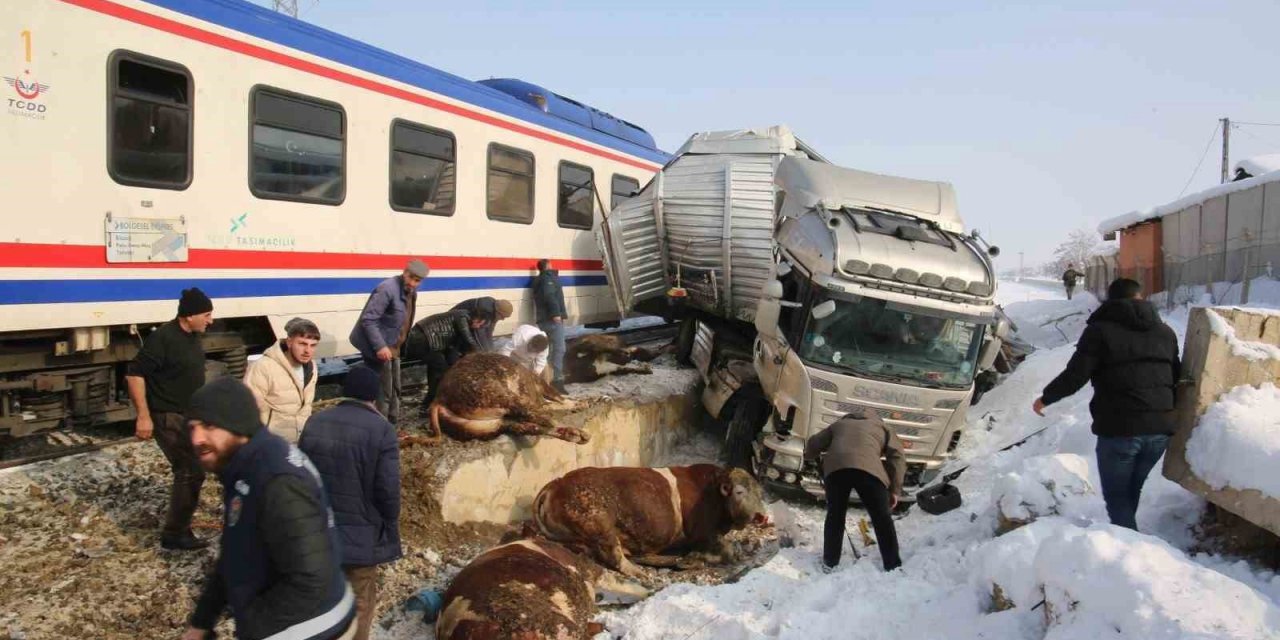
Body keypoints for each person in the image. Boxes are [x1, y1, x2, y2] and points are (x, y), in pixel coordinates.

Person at [182, 377, 356, 640]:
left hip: (314, 630)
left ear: (237, 424)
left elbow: (311, 579)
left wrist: (252, 627)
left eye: (208, 425)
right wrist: (202, 621)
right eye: (192, 427)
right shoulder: (246, 468)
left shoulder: (276, 481)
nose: (196, 439)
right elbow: (236, 553)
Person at [1033, 277, 1180, 531]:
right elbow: (1176, 376)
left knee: (1117, 498)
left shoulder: (1100, 331)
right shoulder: (1165, 332)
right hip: (1159, 430)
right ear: (1140, 297)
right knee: (1130, 491)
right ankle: (1128, 543)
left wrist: (1046, 398)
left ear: (1111, 301)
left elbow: (1076, 375)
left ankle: (1130, 552)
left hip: (1120, 429)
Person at [299, 366, 401, 640]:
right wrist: (389, 525)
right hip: (361, 537)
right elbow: (388, 492)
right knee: (359, 603)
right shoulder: (382, 430)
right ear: (374, 396)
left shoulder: (315, 422)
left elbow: (301, 478)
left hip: (319, 534)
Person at [125, 287, 214, 551]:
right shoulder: (163, 338)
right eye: (207, 314)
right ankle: (175, 534)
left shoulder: (192, 336)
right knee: (189, 470)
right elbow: (134, 374)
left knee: (194, 470)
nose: (211, 320)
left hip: (187, 415)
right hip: (168, 416)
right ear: (189, 316)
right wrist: (143, 417)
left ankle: (179, 529)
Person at [803, 408, 905, 573]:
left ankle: (830, 562)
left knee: (835, 515)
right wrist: (895, 490)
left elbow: (814, 443)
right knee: (882, 518)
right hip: (869, 471)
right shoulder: (883, 427)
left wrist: (809, 455)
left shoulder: (839, 424)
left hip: (836, 470)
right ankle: (892, 565)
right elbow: (897, 456)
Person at [349, 260, 428, 423]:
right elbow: (369, 320)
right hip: (377, 347)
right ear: (404, 272)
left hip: (394, 347)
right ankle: (379, 424)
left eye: (417, 281)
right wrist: (380, 346)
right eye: (411, 278)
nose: (413, 283)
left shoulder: (411, 291)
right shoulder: (387, 289)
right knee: (381, 391)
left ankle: (392, 421)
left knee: (395, 387)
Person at [244, 317, 320, 442]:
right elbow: (249, 408)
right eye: (302, 344)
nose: (307, 351)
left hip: (299, 440)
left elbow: (306, 407)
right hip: (271, 442)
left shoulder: (311, 367)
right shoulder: (264, 367)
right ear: (289, 342)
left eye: (313, 345)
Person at [411, 309, 483, 408]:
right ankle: (436, 404)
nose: (478, 327)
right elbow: (468, 338)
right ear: (476, 319)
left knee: (437, 373)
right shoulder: (462, 317)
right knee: (442, 372)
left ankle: (428, 404)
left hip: (428, 341)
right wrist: (482, 355)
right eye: (479, 324)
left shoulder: (461, 317)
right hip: (424, 340)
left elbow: (453, 349)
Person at [532, 259, 568, 394]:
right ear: (548, 266)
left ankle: (545, 381)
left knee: (546, 351)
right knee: (559, 349)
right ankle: (557, 381)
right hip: (551, 320)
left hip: (542, 320)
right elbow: (549, 295)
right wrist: (555, 314)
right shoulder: (548, 278)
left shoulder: (538, 280)